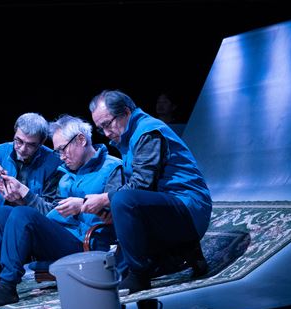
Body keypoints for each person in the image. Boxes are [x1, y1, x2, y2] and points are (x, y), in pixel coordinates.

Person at [0, 114, 124, 309]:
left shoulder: (111, 167)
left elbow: (117, 211)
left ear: (81, 140)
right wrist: (19, 197)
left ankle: (7, 286)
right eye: (58, 151)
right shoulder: (65, 173)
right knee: (3, 213)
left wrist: (82, 205)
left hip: (87, 241)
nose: (61, 157)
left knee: (22, 214)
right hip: (61, 236)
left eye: (63, 149)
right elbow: (51, 212)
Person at [82, 89, 211, 294]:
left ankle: (139, 275)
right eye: (101, 128)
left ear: (126, 112)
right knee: (118, 270)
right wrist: (109, 208)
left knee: (122, 200)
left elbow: (141, 185)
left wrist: (105, 199)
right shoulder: (129, 136)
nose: (106, 133)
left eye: (107, 124)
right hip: (168, 208)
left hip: (188, 207)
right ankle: (186, 253)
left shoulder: (147, 132)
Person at [0, 112, 64, 289]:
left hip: (33, 230)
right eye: (18, 141)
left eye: (31, 145)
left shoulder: (54, 163)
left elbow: (51, 212)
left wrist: (23, 198)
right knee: (1, 213)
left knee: (16, 214)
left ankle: (5, 284)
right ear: (14, 133)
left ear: (42, 142)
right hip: (0, 227)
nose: (22, 148)